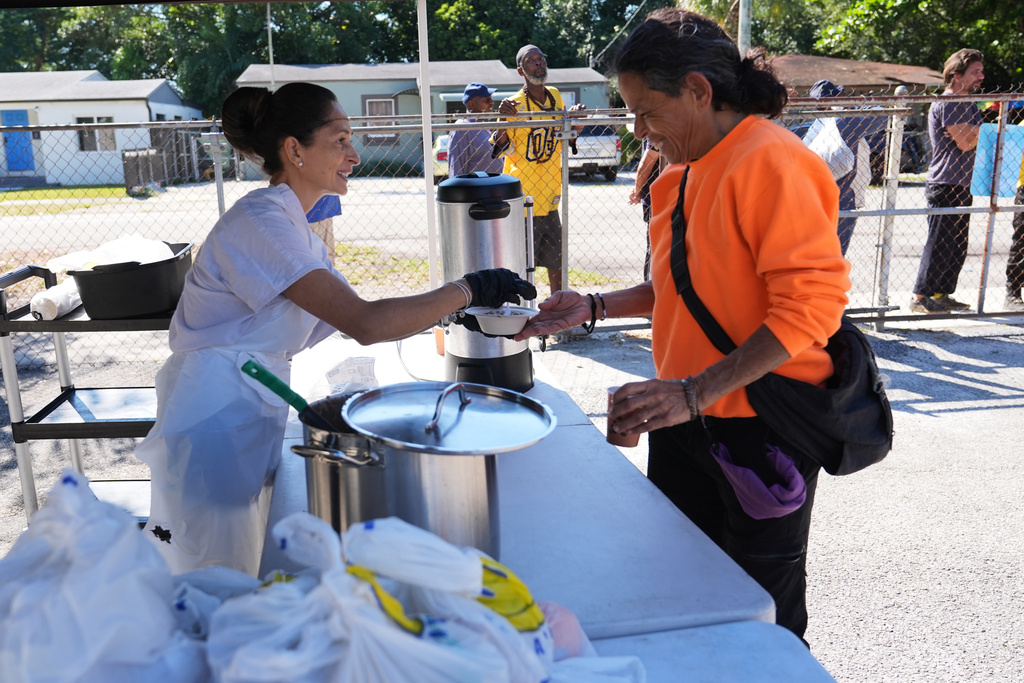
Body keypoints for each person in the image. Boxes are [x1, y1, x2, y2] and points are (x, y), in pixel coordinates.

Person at [515, 8, 850, 639]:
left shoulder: (771, 160)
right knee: (681, 591)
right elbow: (678, 286)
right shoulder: (682, 168)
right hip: (686, 417)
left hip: (760, 429)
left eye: (646, 111)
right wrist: (593, 306)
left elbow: (812, 305)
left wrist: (696, 391)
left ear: (699, 90)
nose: (639, 130)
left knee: (760, 612)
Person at [135, 82, 535, 576]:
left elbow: (367, 317)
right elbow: (365, 323)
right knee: (206, 572)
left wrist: (462, 309)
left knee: (240, 563)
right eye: (341, 140)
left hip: (243, 404)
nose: (355, 156)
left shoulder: (297, 229)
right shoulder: (261, 223)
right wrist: (469, 289)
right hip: (212, 418)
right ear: (295, 150)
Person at [492, 44, 585, 294]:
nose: (538, 63)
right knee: (521, 264)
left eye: (541, 59)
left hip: (550, 195)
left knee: (556, 260)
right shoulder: (513, 104)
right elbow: (501, 145)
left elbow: (565, 140)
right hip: (523, 199)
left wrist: (576, 124)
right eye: (531, 61)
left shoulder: (554, 95)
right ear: (521, 71)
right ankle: (522, 311)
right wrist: (503, 119)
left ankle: (557, 307)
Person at [909, 48, 985, 313]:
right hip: (946, 182)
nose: (981, 77)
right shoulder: (951, 101)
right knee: (940, 242)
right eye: (975, 72)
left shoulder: (966, 103)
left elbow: (973, 135)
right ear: (956, 75)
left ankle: (941, 294)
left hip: (963, 182)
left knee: (957, 244)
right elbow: (965, 142)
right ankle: (920, 298)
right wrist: (987, 129)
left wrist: (980, 130)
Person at [806, 79, 886, 255]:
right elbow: (884, 115)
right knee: (835, 254)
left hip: (811, 197)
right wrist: (861, 104)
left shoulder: (815, 125)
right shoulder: (845, 120)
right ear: (836, 99)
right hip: (841, 196)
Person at [448, 82, 504, 178]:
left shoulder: (481, 125)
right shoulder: (462, 128)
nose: (492, 102)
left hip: (493, 189)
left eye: (491, 99)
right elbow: (456, 170)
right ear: (471, 103)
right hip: (477, 189)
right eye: (486, 100)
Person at [628, 138, 664, 279]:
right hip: (670, 195)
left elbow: (647, 162)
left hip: (657, 198)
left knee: (655, 250)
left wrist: (637, 191)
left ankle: (652, 290)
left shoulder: (657, 123)